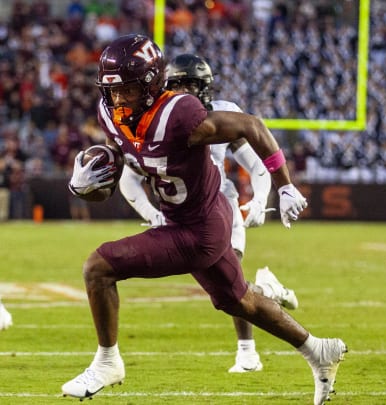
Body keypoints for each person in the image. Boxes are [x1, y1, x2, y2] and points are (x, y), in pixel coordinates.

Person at [64, 34, 346, 404]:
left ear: (150, 84)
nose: (118, 100)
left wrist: (284, 185)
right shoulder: (111, 115)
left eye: (128, 91)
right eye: (112, 91)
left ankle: (107, 361)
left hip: (196, 230)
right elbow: (119, 166)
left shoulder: (179, 114)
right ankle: (318, 350)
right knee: (238, 300)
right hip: (192, 217)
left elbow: (252, 126)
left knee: (98, 268)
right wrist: (85, 183)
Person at [119, 53, 298, 373]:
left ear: (206, 88)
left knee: (232, 279)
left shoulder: (223, 115)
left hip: (220, 203)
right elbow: (128, 178)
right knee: (229, 288)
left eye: (193, 85)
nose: (186, 92)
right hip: (180, 212)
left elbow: (256, 163)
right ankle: (268, 291)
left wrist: (260, 199)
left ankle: (247, 352)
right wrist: (152, 213)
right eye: (180, 85)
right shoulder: (154, 120)